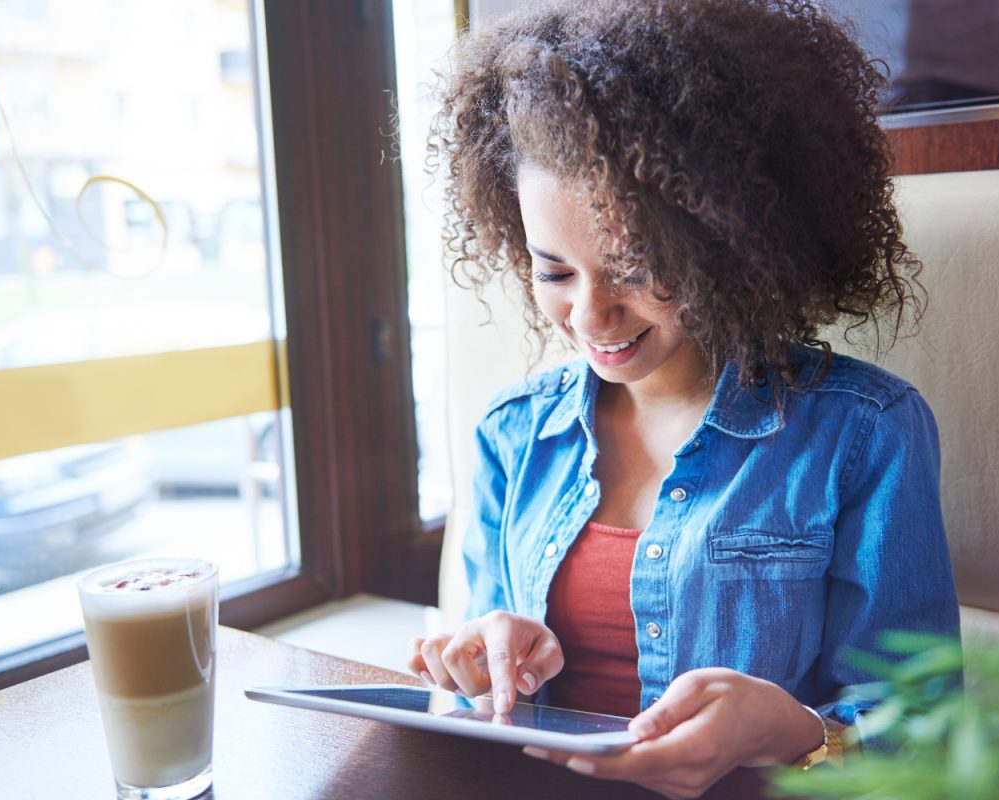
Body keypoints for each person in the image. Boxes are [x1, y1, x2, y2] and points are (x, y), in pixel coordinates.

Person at [407, 1, 960, 797]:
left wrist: (791, 730)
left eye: (638, 268)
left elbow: (931, 738)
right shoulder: (512, 432)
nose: (591, 317)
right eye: (555, 271)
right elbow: (488, 689)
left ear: (728, 248)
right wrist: (481, 657)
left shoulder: (863, 434)